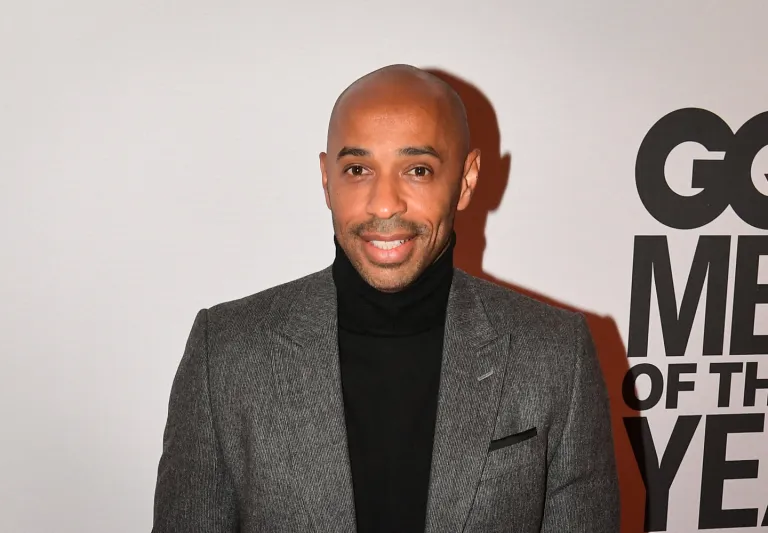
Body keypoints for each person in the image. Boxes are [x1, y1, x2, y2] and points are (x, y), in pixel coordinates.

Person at [151, 64, 620, 533]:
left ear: (468, 178)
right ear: (326, 179)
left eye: (418, 170)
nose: (384, 204)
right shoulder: (227, 353)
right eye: (358, 169)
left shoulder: (556, 353)